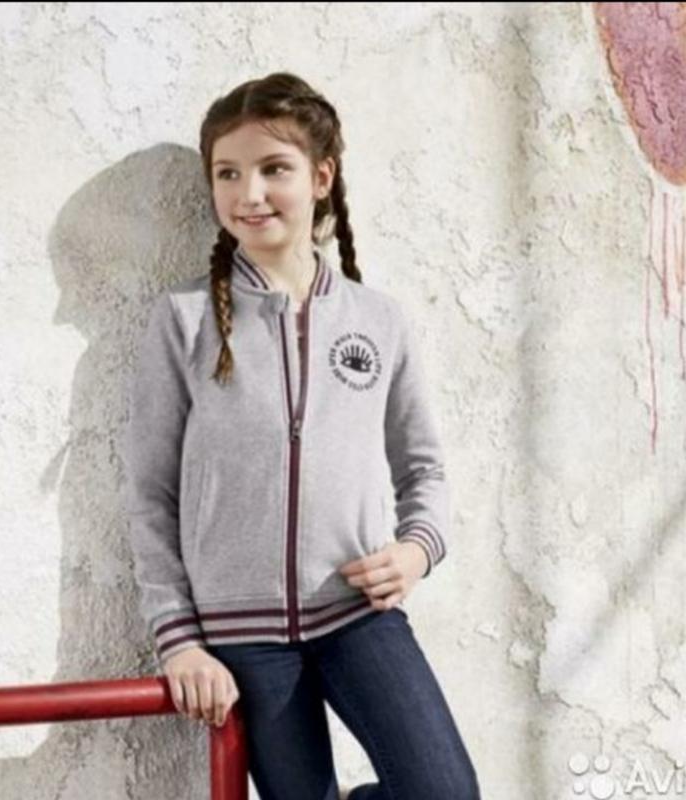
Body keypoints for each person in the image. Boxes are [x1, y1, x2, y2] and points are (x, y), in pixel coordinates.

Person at [123, 72, 481, 800]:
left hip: (357, 617)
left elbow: (424, 468)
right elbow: (150, 493)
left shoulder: (377, 321)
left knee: (446, 793)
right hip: (242, 636)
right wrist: (180, 640)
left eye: (273, 169)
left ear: (321, 177)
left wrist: (416, 550)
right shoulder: (184, 320)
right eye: (228, 173)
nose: (248, 193)